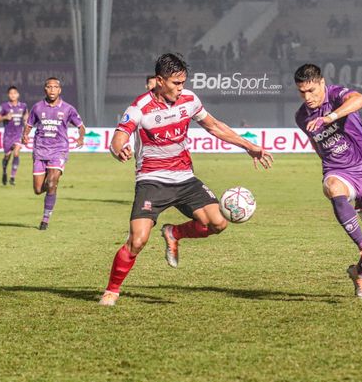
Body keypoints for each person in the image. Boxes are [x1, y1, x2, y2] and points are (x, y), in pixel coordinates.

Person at [98, 53, 273, 306]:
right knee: (138, 240)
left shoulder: (190, 100)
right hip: (152, 181)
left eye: (183, 83)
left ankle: (174, 232)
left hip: (185, 179)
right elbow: (118, 137)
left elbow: (214, 126)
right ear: (159, 80)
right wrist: (119, 149)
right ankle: (112, 290)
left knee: (218, 223)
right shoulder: (140, 107)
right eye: (175, 84)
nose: (181, 89)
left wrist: (248, 146)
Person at [293, 64, 362, 300]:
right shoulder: (301, 116)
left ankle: (359, 273)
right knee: (332, 187)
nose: (308, 97)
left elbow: (361, 99)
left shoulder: (336, 95)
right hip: (338, 170)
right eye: (302, 92)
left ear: (322, 83)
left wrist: (330, 117)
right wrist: (328, 167)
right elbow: (316, 144)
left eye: (312, 90)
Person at [22, 77, 85, 230]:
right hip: (40, 150)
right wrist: (25, 135)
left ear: (60, 90)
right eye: (49, 87)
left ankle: (45, 219)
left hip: (59, 150)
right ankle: (52, 185)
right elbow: (29, 125)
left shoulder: (68, 109)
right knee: (38, 190)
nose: (52, 90)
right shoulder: (37, 107)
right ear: (45, 89)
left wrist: (81, 137)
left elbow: (81, 126)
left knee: (51, 182)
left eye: (55, 87)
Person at [0, 86, 28, 186]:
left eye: (14, 93)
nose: (13, 95)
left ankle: (12, 177)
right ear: (8, 95)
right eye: (10, 93)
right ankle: (4, 172)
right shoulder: (4, 106)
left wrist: (26, 127)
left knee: (16, 153)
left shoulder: (23, 106)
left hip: (18, 134)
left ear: (18, 94)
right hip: (8, 136)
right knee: (7, 156)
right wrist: (5, 117)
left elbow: (26, 116)